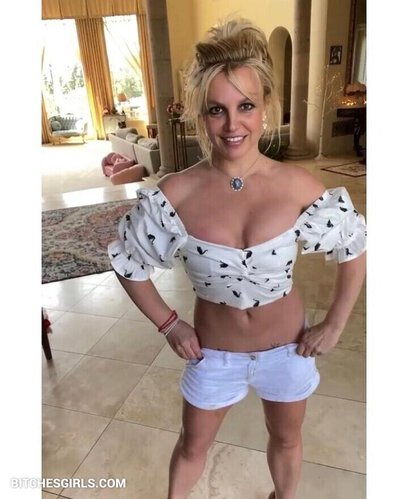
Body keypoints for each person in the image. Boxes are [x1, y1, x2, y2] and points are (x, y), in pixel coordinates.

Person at [108, 18, 366, 499]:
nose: (232, 125)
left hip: (289, 349)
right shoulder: (176, 193)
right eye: (216, 110)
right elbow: (127, 262)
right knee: (192, 446)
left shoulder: (297, 186)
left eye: (245, 105)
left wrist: (334, 324)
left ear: (265, 106)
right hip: (214, 354)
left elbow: (354, 244)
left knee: (286, 439)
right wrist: (170, 325)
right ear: (200, 115)